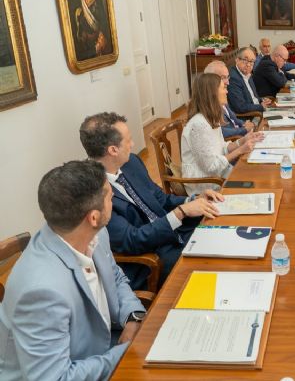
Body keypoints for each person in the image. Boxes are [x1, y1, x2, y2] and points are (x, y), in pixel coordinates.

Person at [0, 160, 146, 380]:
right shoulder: (41, 291)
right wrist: (127, 350)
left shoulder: (92, 232)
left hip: (102, 348)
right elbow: (55, 377)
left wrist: (134, 317)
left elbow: (114, 276)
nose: (113, 197)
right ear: (93, 217)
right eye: (109, 195)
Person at [80, 112, 223, 290]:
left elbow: (159, 198)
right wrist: (180, 212)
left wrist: (193, 199)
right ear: (113, 150)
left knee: (221, 230)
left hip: (173, 234)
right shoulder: (94, 192)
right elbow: (132, 240)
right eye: (128, 140)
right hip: (153, 259)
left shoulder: (131, 163)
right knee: (215, 264)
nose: (133, 144)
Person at [182, 73, 262, 195]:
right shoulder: (198, 125)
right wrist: (240, 150)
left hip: (218, 176)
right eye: (223, 88)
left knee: (257, 176)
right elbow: (211, 166)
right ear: (212, 93)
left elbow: (221, 148)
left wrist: (243, 141)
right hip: (206, 185)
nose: (227, 92)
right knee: (256, 184)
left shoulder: (210, 118)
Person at [205, 60, 256, 138]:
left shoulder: (221, 96)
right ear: (211, 80)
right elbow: (220, 131)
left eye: (227, 77)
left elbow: (233, 119)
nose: (228, 82)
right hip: (232, 141)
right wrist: (244, 129)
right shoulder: (208, 103)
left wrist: (243, 123)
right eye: (223, 78)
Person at [228, 47, 272, 118]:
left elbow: (253, 97)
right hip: (250, 118)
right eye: (245, 60)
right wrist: (261, 106)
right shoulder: (233, 78)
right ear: (237, 60)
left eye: (251, 61)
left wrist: (262, 100)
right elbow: (240, 107)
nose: (248, 65)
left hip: (257, 112)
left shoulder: (247, 74)